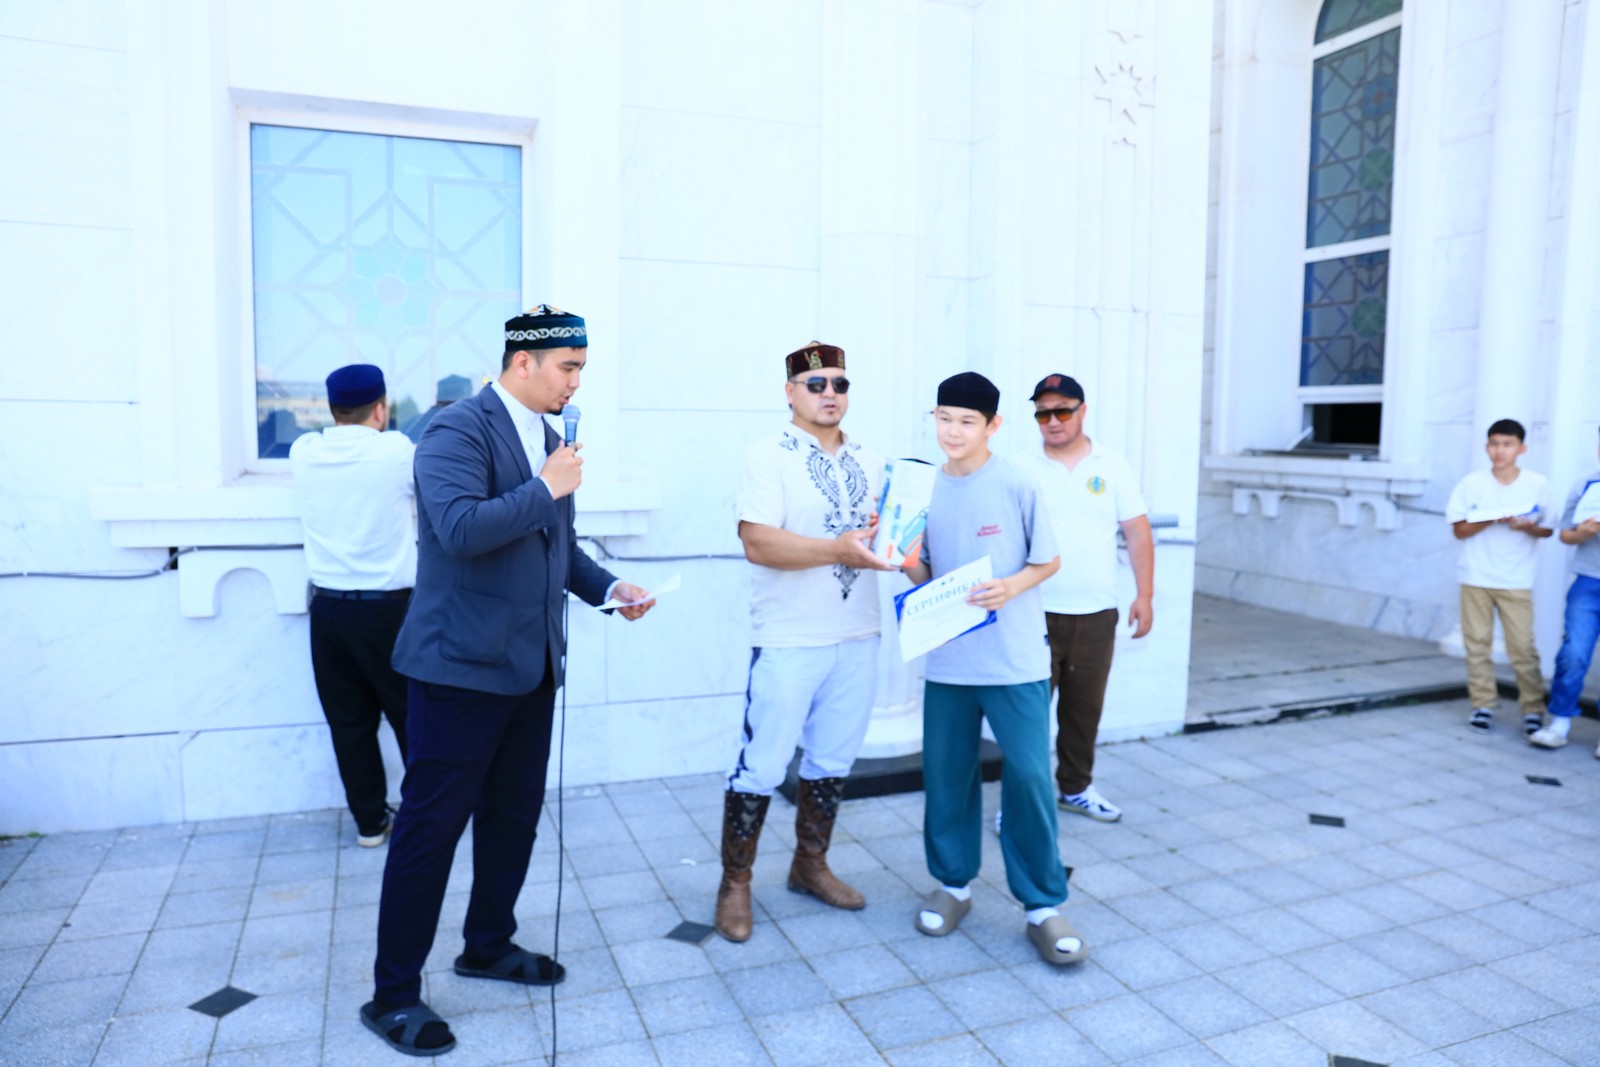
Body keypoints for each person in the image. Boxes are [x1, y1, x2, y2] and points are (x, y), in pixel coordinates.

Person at [361, 306, 656, 1058]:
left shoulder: (552, 441)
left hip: (532, 666)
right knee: (431, 829)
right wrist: (547, 488)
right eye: (568, 367)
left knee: (513, 817)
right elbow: (460, 530)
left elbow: (558, 547)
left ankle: (487, 944)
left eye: (581, 368)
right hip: (460, 668)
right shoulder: (454, 429)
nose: (576, 382)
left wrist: (609, 588)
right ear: (523, 362)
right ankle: (394, 994)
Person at [716, 341, 895, 943]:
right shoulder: (768, 455)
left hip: (859, 631)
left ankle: (809, 866)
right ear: (790, 392)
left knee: (834, 759)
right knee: (764, 762)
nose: (829, 394)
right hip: (789, 637)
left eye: (840, 384)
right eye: (816, 384)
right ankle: (735, 882)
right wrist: (836, 549)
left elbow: (888, 538)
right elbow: (758, 543)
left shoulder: (872, 460)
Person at [905, 371, 1086, 967]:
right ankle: (953, 885)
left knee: (1030, 776)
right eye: (944, 418)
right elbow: (925, 576)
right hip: (949, 662)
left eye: (967, 421)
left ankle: (1042, 905)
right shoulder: (922, 489)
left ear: (993, 426)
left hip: (1015, 660)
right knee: (947, 775)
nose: (953, 431)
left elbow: (1048, 560)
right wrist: (905, 562)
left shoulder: (1016, 482)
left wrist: (1010, 586)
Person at [1012, 373, 1153, 824]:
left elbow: (1137, 532)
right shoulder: (1019, 467)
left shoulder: (1113, 465)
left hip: (1096, 614)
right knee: (1027, 718)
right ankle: (1019, 805)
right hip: (1034, 612)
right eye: (1042, 414)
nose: (1052, 421)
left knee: (1083, 712)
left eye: (1062, 411)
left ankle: (1075, 789)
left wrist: (1145, 595)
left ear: (1082, 411)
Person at [289, 364, 416, 848]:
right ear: (380, 409)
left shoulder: (304, 453)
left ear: (332, 410)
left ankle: (370, 824)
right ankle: (424, 817)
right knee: (412, 718)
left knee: (349, 723)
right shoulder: (396, 452)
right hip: (389, 611)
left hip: (328, 612)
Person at [1445, 418, 1552, 735]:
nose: (1500, 451)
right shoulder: (1471, 483)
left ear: (1522, 448)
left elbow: (1548, 529)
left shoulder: (1537, 484)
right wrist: (1490, 519)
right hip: (1475, 575)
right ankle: (1482, 705)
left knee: (1522, 648)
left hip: (1517, 579)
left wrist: (1525, 526)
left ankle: (1533, 709)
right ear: (1486, 447)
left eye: (1507, 444)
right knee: (1477, 645)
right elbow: (1459, 530)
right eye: (1494, 444)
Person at [1530, 430, 1600, 755]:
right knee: (1574, 652)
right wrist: (1582, 533)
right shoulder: (1586, 484)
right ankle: (1559, 723)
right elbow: (1565, 535)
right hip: (1588, 581)